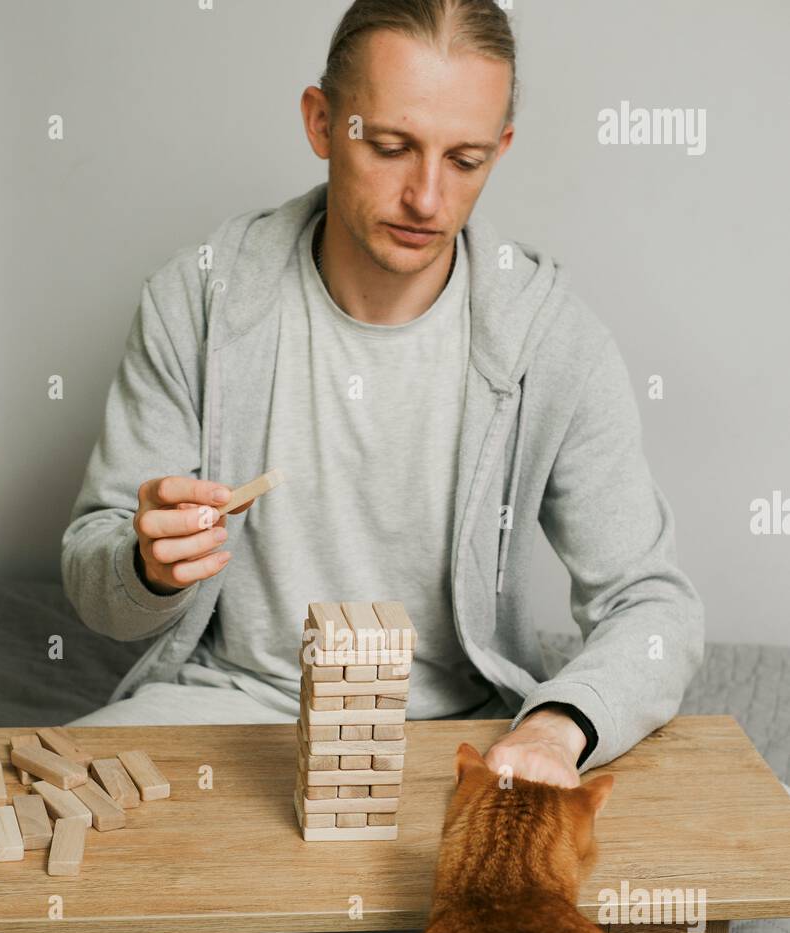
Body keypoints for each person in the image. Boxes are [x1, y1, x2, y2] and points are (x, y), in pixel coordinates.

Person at [62, 0, 704, 789]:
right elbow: (99, 595)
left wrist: (556, 724)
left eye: (464, 160)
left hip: (460, 735)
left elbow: (653, 608)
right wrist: (145, 567)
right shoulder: (196, 301)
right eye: (394, 148)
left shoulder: (553, 341)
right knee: (18, 851)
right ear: (322, 122)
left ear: (499, 151)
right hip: (229, 708)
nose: (427, 199)